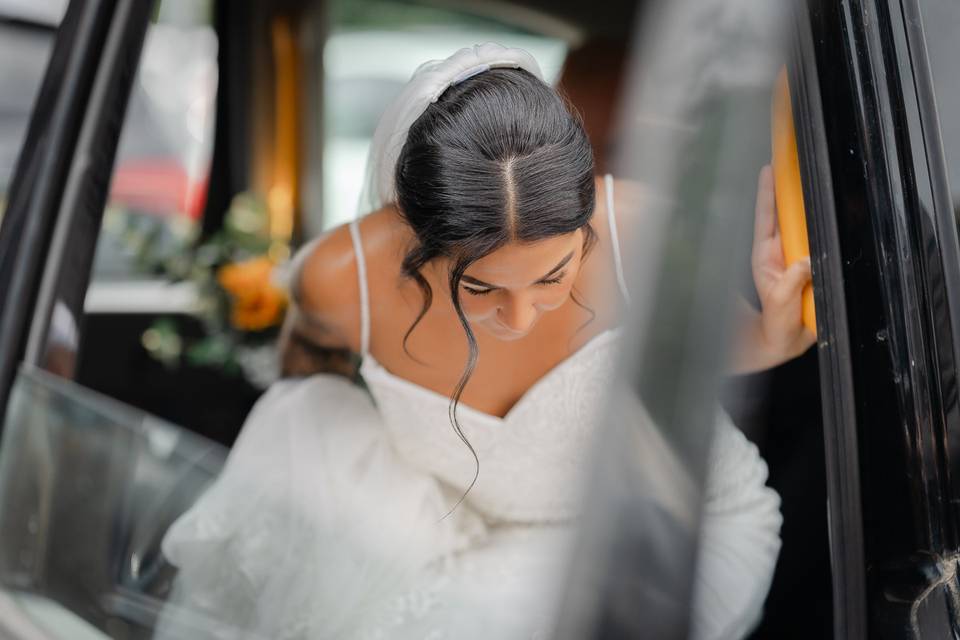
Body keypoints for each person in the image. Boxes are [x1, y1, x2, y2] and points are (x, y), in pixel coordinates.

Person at [155, 43, 815, 640]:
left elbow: (712, 354)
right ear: (417, 240)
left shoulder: (643, 229)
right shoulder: (339, 281)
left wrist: (772, 334)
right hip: (484, 544)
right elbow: (308, 372)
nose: (522, 316)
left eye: (554, 276)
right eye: (481, 288)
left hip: (669, 532)